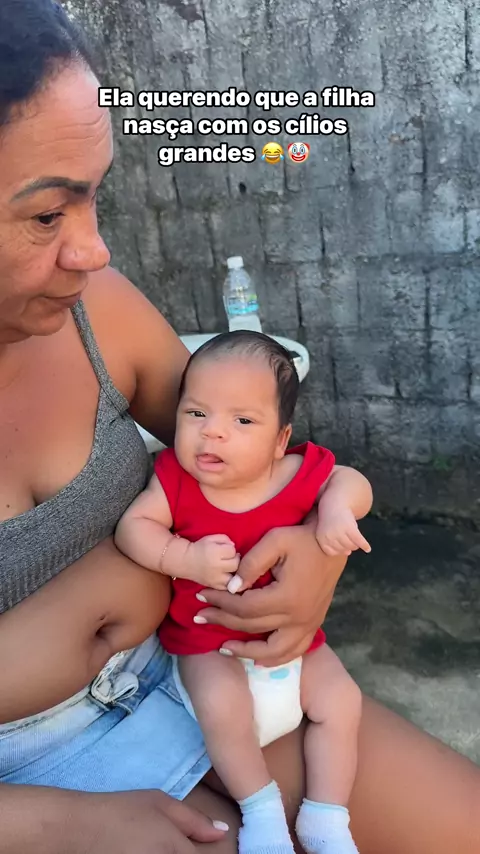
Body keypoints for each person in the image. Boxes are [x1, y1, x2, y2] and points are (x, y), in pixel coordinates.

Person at [0, 1, 479, 853]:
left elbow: (257, 445)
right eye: (46, 215)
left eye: (94, 198)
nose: (94, 250)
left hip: (202, 663)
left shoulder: (96, 310)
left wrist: (317, 546)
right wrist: (52, 824)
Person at [115, 331, 373, 854]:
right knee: (221, 708)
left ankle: (327, 816)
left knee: (342, 701)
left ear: (281, 439)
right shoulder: (175, 481)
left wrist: (336, 510)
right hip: (207, 639)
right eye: (196, 413)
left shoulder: (298, 473)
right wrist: (182, 557)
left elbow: (352, 482)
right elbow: (133, 528)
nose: (213, 432)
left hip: (293, 639)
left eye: (243, 421)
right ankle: (261, 810)